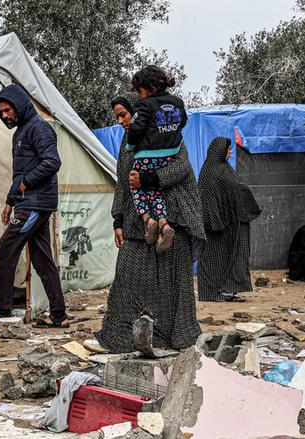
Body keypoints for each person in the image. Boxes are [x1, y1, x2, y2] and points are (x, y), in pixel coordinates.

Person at [90, 94, 204, 354]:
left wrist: (148, 180)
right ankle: (125, 336)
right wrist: (118, 219)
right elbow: (123, 182)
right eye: (117, 117)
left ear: (139, 114)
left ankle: (170, 335)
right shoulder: (127, 141)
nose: (121, 121)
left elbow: (182, 169)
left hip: (170, 219)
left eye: (124, 115)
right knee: (128, 278)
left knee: (170, 281)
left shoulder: (169, 137)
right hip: (136, 223)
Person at [0, 84, 68, 328]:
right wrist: (10, 201)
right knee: (42, 259)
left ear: (20, 105)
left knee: (4, 251)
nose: (5, 115)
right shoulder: (20, 132)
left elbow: (52, 162)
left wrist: (27, 182)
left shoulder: (39, 128)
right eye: (2, 112)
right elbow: (19, 174)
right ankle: (59, 315)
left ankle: (2, 312)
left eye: (8, 110)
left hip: (35, 203)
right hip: (29, 202)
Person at [124, 65, 188, 254]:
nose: (139, 95)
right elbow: (183, 122)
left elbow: (136, 129)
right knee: (155, 189)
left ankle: (148, 219)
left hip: (147, 155)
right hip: (169, 154)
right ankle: (164, 223)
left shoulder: (145, 105)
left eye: (139, 91)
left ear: (150, 87)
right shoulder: (177, 102)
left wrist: (130, 146)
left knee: (136, 184)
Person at [197, 137, 261, 301]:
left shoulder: (214, 169)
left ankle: (226, 291)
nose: (230, 152)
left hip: (225, 222)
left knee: (228, 256)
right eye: (228, 149)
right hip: (218, 224)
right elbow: (236, 189)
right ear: (220, 151)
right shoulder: (217, 171)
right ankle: (213, 292)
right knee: (216, 258)